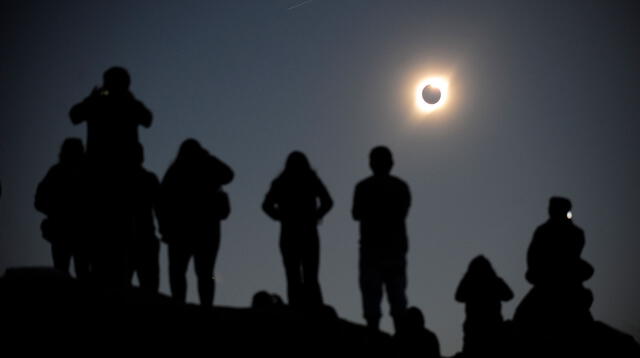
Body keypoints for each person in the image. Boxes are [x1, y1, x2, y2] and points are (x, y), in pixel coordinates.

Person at [157, 139, 233, 307]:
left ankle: (183, 303)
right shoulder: (189, 169)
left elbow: (229, 174)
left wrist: (164, 227)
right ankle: (203, 304)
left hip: (184, 231)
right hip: (202, 230)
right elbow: (228, 174)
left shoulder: (175, 171)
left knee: (184, 271)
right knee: (203, 272)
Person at [262, 151, 333, 308]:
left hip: (290, 232)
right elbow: (328, 201)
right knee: (309, 275)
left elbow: (266, 206)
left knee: (294, 275)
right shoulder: (310, 179)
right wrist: (315, 216)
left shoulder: (281, 182)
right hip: (306, 232)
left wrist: (280, 216)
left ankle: (298, 309)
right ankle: (313, 310)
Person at [352, 146, 411, 332]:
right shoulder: (400, 187)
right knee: (395, 295)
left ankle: (376, 336)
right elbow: (403, 211)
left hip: (375, 249)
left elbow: (356, 213)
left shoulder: (363, 187)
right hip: (390, 249)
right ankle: (394, 336)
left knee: (376, 296)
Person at [514, 197, 594, 331]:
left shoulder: (574, 232)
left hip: (564, 280)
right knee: (522, 316)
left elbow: (571, 254)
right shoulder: (544, 230)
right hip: (546, 279)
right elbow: (533, 256)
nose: (550, 211)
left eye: (553, 208)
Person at [69, 66, 152, 166]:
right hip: (116, 163)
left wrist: (91, 100)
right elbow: (74, 116)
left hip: (111, 162)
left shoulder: (101, 101)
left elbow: (148, 120)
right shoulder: (101, 101)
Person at [35, 138, 90, 279]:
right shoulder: (56, 173)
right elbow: (39, 201)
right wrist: (57, 212)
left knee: (80, 272)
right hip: (63, 232)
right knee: (61, 273)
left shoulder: (86, 173)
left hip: (81, 232)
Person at [455, 255, 513, 356]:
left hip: (474, 329)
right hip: (493, 328)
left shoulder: (470, 282)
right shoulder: (495, 281)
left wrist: (466, 278)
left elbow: (459, 297)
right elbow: (509, 296)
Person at [125, 144, 160, 292]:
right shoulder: (148, 179)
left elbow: (160, 206)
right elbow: (161, 206)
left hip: (136, 237)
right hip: (141, 236)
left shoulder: (117, 181)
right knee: (149, 284)